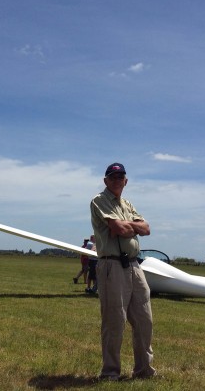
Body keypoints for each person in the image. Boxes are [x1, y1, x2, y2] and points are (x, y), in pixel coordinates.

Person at [90, 162, 156, 381]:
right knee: (114, 321)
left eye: (121, 177)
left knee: (144, 319)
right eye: (113, 177)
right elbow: (119, 228)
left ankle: (144, 370)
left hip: (135, 266)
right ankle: (110, 372)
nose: (117, 180)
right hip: (112, 265)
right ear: (105, 180)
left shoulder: (127, 203)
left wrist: (128, 225)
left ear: (126, 181)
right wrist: (129, 226)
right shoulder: (99, 201)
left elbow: (146, 229)